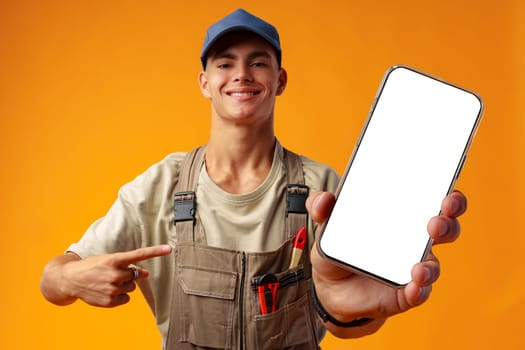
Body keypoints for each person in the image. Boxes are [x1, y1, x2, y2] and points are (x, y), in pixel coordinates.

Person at [40, 8, 467, 349]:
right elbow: (52, 280)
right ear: (205, 83)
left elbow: (349, 322)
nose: (242, 74)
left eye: (257, 62)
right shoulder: (160, 187)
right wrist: (70, 278)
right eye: (226, 63)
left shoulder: (323, 189)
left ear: (279, 80)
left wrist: (350, 313)